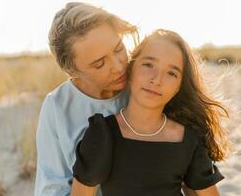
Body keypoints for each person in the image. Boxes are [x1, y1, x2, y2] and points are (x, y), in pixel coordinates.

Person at [71, 29, 232, 196]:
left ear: (179, 86)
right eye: (148, 65)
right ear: (130, 69)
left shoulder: (189, 139)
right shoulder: (103, 134)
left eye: (171, 73)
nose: (156, 79)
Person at [34, 2, 138, 196]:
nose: (118, 66)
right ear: (72, 71)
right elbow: (52, 189)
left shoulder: (144, 85)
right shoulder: (57, 106)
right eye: (99, 63)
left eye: (118, 48)